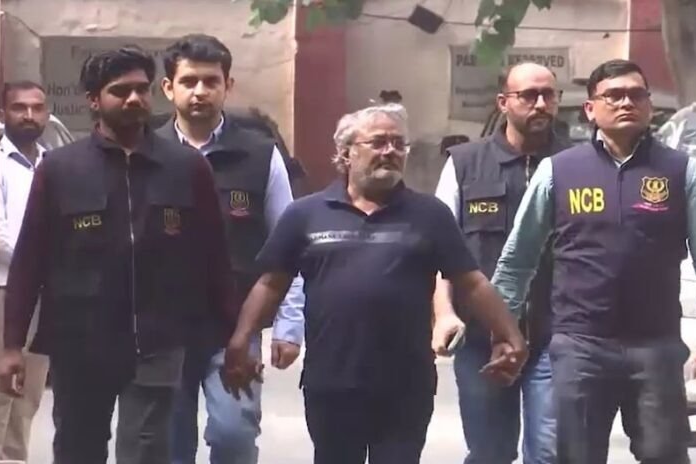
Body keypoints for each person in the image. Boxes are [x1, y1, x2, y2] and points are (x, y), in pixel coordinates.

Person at [221, 103, 529, 464]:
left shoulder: (430, 215)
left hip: (406, 385)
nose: (391, 151)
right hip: (331, 384)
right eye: (379, 142)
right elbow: (271, 284)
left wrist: (509, 334)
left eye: (399, 144)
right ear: (346, 153)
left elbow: (471, 283)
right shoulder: (305, 214)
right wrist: (241, 339)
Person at [0, 46, 237, 464]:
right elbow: (30, 261)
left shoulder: (186, 168)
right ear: (94, 100)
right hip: (80, 343)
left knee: (146, 449)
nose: (134, 99)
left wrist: (234, 338)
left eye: (142, 89)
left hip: (159, 340)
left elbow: (214, 256)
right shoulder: (61, 170)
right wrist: (12, 345)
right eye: (120, 91)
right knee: (78, 449)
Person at [491, 59, 696, 464]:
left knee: (665, 455)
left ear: (649, 105)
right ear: (591, 109)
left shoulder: (682, 172)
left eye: (636, 95)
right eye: (614, 96)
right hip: (580, 348)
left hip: (656, 347)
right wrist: (504, 331)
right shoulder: (559, 172)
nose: (626, 103)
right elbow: (518, 260)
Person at [157, 34, 305, 464]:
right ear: (168, 88)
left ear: (228, 85)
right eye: (189, 81)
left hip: (236, 327)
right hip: (162, 329)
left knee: (234, 434)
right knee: (168, 443)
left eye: (211, 81)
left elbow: (288, 242)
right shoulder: (148, 152)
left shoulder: (260, 154)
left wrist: (289, 323)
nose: (200, 91)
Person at [433, 62, 569, 464]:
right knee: (489, 452)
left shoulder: (577, 164)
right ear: (503, 102)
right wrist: (443, 313)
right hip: (481, 337)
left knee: (550, 452)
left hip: (557, 335)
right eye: (528, 95)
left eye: (548, 95)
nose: (540, 104)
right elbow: (441, 252)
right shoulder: (464, 163)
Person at [0, 80, 52, 462]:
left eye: (37, 108)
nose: (29, 115)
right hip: (5, 289)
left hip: (47, 293)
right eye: (19, 108)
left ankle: (15, 459)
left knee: (29, 394)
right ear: (3, 114)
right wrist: (37, 263)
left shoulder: (54, 164)